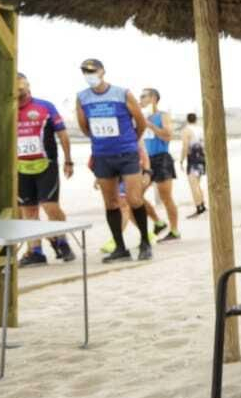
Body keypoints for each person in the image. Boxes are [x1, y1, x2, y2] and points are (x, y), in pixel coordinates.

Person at [76, 58, 153, 263]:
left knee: (134, 199)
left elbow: (141, 122)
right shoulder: (82, 97)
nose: (89, 74)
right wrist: (99, 140)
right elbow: (84, 126)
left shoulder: (122, 93)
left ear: (102, 71)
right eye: (85, 71)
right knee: (110, 203)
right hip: (102, 154)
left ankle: (145, 242)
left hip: (126, 153)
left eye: (92, 70)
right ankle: (120, 248)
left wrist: (130, 141)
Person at [14, 73, 76, 266]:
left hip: (45, 165)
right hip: (21, 167)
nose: (19, 93)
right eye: (16, 90)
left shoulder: (45, 106)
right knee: (28, 210)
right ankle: (36, 252)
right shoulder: (6, 108)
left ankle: (62, 240)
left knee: (50, 206)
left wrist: (68, 160)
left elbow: (63, 134)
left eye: (22, 88)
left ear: (28, 86)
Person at [139, 87, 180, 241]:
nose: (141, 99)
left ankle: (175, 230)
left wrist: (149, 125)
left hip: (162, 158)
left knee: (166, 198)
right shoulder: (141, 117)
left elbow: (168, 136)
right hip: (147, 161)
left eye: (144, 96)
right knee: (136, 196)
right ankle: (158, 222)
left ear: (154, 98)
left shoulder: (163, 116)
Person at [181, 111, 207, 216]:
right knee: (197, 183)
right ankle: (202, 205)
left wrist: (181, 160)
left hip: (193, 158)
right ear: (196, 119)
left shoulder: (186, 130)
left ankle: (199, 207)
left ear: (187, 120)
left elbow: (185, 145)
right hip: (202, 157)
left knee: (193, 185)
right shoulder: (201, 129)